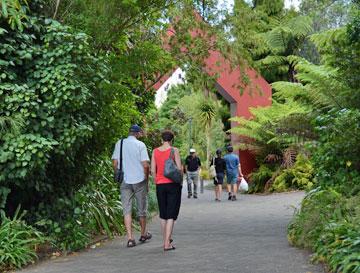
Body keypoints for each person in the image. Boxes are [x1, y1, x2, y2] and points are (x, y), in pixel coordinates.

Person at [112, 124, 152, 248]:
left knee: (126, 209)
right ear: (138, 133)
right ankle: (143, 234)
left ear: (129, 132)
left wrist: (119, 172)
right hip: (139, 179)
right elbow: (145, 165)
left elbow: (115, 163)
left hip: (125, 180)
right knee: (141, 208)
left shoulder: (120, 143)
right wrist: (146, 178)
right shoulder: (140, 145)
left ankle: (130, 238)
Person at [151, 130, 182, 251]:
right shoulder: (174, 150)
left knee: (163, 214)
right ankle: (166, 244)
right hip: (172, 185)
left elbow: (153, 170)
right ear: (172, 140)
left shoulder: (155, 151)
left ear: (162, 139)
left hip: (160, 185)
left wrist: (156, 181)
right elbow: (179, 168)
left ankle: (166, 240)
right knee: (171, 214)